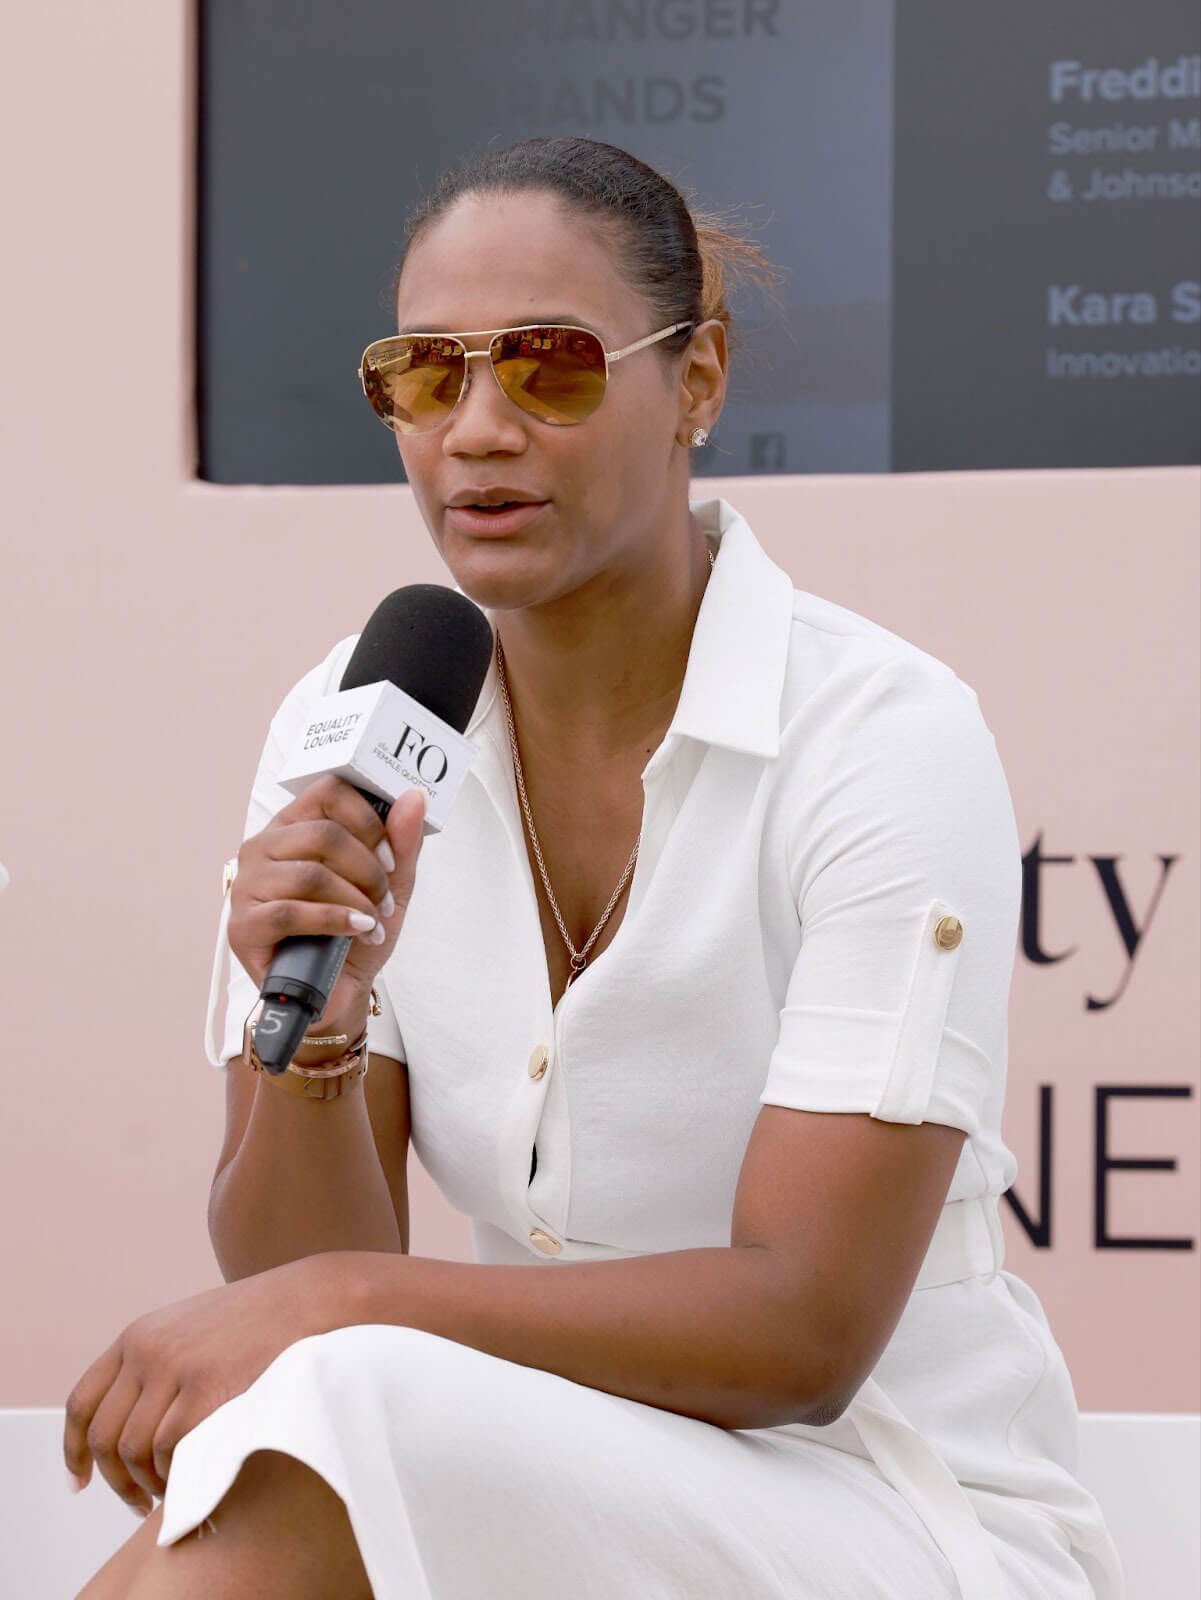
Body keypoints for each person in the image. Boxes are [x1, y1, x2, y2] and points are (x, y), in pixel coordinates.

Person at [67, 136, 1124, 1600]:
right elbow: (292, 1281)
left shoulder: (877, 733)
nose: (478, 430)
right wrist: (322, 1031)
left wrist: (344, 1301)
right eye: (425, 377)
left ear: (695, 381)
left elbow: (804, 1333)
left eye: (549, 366)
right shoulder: (350, 732)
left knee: (335, 1402)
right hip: (531, 1463)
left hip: (892, 1508)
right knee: (319, 1411)